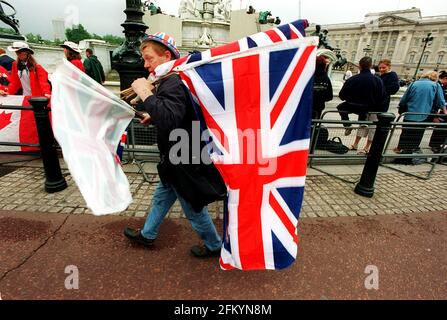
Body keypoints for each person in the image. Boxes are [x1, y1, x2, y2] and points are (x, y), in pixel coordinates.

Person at [123, 32, 223, 258]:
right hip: (178, 155)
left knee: (193, 208)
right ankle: (148, 234)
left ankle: (214, 245)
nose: (146, 65)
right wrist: (152, 115)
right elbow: (175, 115)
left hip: (182, 158)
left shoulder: (172, 82)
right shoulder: (172, 79)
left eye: (149, 58)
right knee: (162, 195)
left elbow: (169, 118)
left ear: (166, 55)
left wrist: (145, 92)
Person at [351, 59, 400, 153]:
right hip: (371, 105)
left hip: (379, 106)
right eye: (380, 67)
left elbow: (393, 89)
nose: (381, 69)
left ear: (389, 67)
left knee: (373, 128)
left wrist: (379, 91)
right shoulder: (378, 76)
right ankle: (355, 144)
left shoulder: (392, 75)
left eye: (383, 67)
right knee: (362, 124)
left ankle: (366, 147)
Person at [395, 71, 446, 154]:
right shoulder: (435, 85)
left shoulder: (414, 83)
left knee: (406, 133)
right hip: (424, 115)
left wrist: (401, 109)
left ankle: (400, 149)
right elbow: (440, 101)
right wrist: (444, 111)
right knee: (417, 134)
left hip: (409, 114)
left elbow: (404, 99)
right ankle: (410, 152)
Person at [337, 56, 385, 136]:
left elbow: (342, 95)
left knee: (340, 107)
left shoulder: (352, 79)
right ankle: (363, 122)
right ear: (371, 66)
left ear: (359, 65)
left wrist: (350, 98)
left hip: (352, 105)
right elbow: (381, 97)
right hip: (369, 107)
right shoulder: (377, 80)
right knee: (365, 108)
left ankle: (347, 125)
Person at [428, 70, 447, 154]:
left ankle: (438, 144)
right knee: (440, 128)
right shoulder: (438, 85)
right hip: (440, 111)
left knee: (442, 128)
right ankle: (435, 145)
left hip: (442, 111)